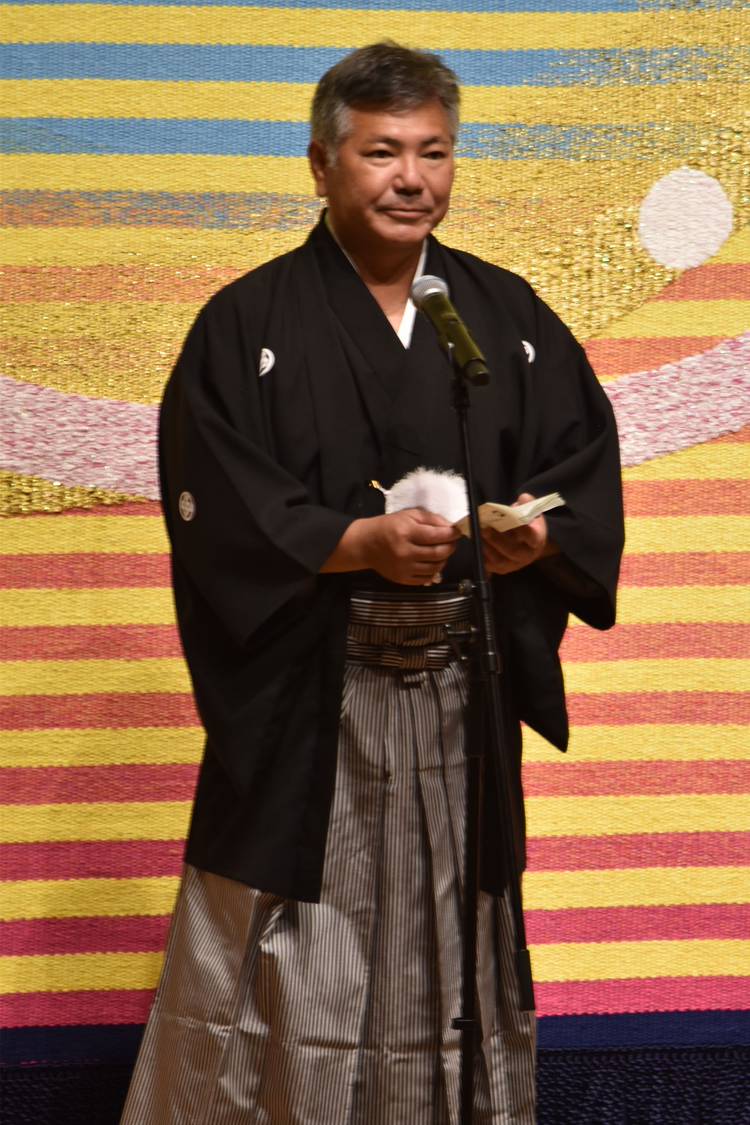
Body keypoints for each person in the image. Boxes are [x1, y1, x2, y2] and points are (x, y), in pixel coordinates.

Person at [121, 42, 623, 1125]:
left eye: (434, 152)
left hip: (459, 694)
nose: (412, 178)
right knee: (291, 948)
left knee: (452, 941)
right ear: (321, 163)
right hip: (314, 696)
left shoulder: (502, 317)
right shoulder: (248, 323)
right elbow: (216, 497)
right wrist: (352, 541)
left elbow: (577, 462)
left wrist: (533, 539)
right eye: (383, 151)